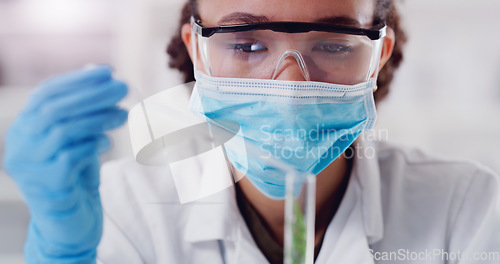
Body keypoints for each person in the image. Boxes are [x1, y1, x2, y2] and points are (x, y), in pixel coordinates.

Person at [3, 0, 499, 263]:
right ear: (198, 51)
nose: (289, 86)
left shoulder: (466, 208)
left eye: (332, 44)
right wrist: (64, 257)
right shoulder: (126, 208)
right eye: (245, 44)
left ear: (378, 55)